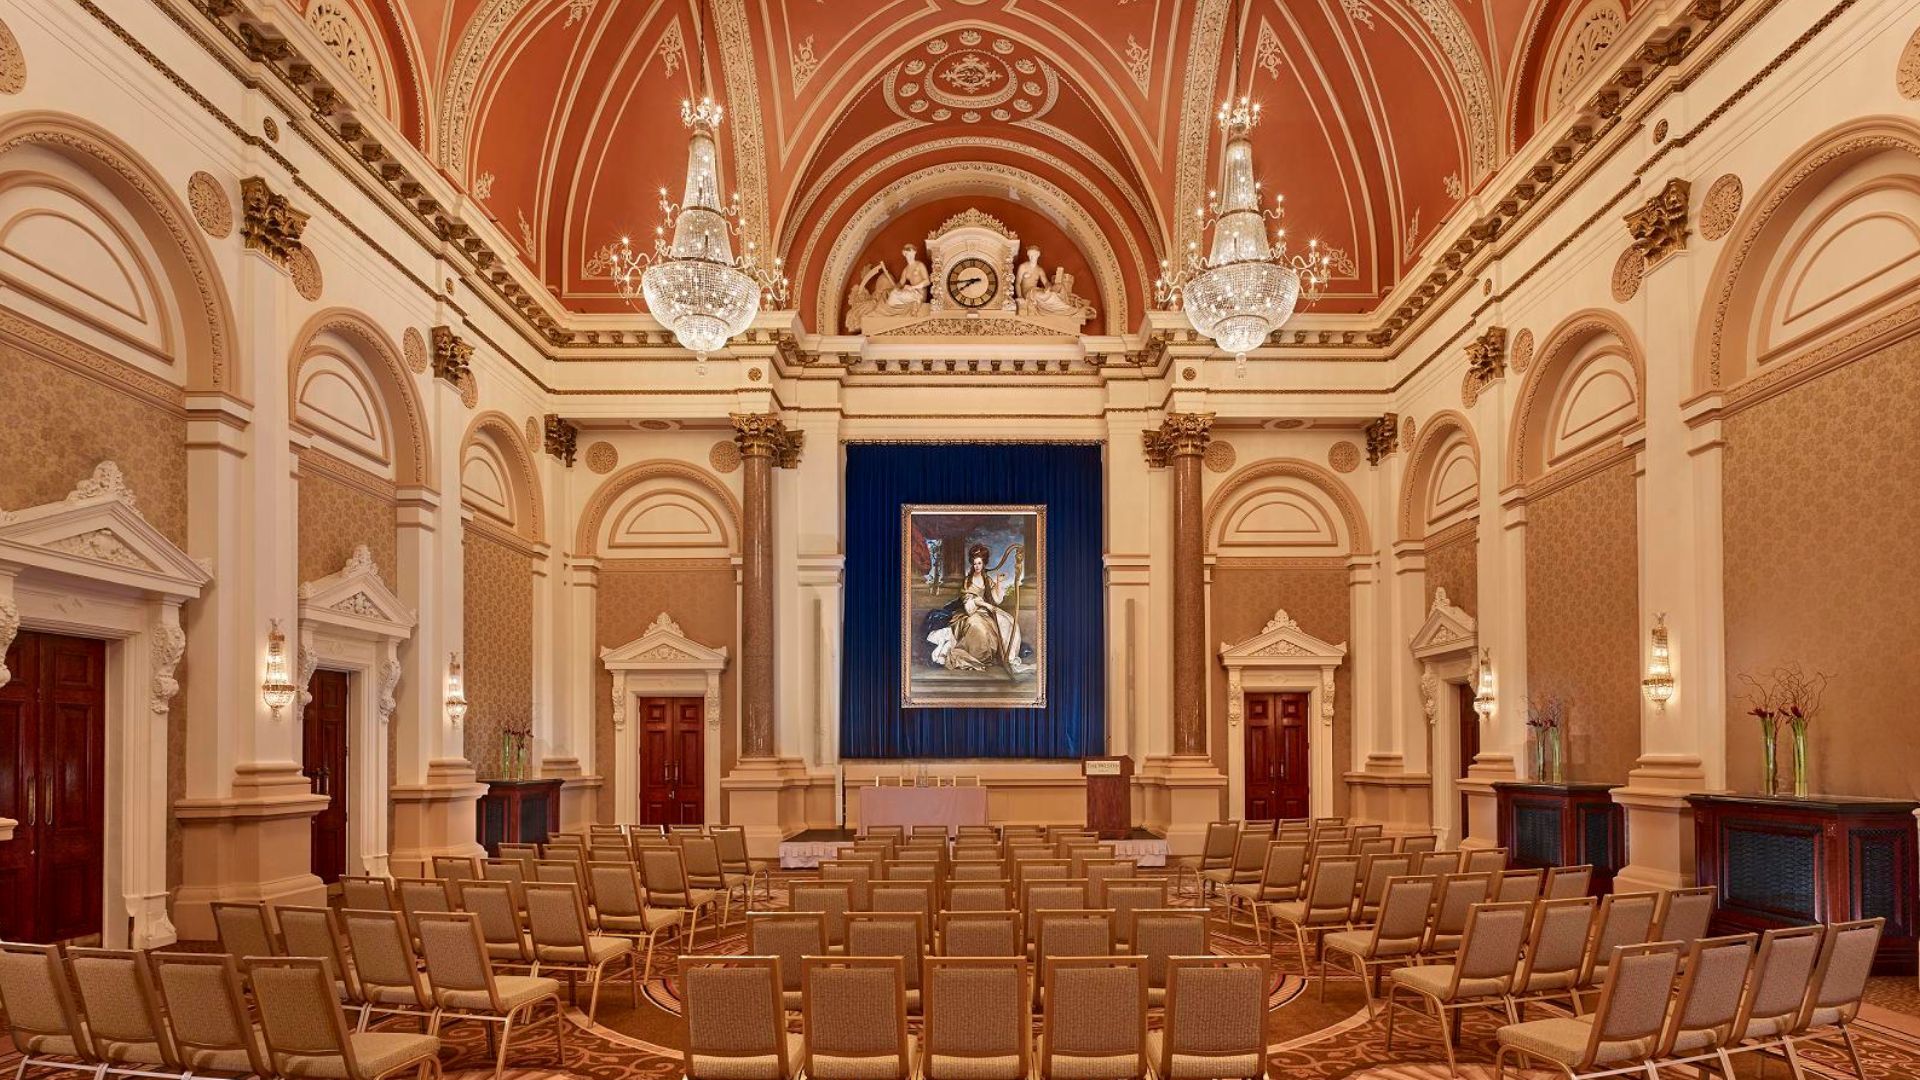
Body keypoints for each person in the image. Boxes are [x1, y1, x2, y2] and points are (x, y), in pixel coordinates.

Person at [924, 543, 1033, 677]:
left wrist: (998, 582)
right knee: (978, 627)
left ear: (983, 564)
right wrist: (983, 604)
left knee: (1008, 622)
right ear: (972, 564)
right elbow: (968, 605)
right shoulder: (968, 581)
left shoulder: (987, 579)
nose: (977, 566)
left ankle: (1007, 656)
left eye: (979, 563)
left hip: (985, 613)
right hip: (971, 613)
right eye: (975, 563)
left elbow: (996, 600)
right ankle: (980, 657)